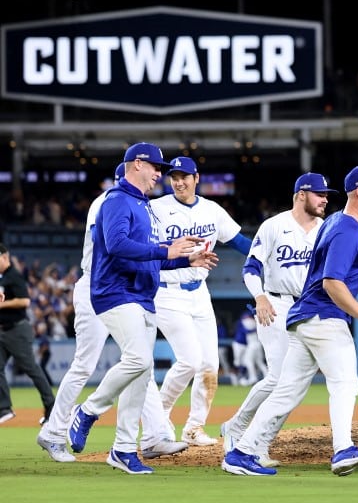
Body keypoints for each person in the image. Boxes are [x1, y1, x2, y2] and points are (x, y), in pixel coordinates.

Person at [221, 164, 358, 477]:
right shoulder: (346, 229)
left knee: (286, 391)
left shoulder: (334, 223)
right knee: (345, 382)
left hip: (302, 318)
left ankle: (241, 451)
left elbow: (347, 254)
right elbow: (332, 282)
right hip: (324, 315)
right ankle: (344, 448)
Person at [66, 143, 217, 474]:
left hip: (142, 294)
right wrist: (167, 251)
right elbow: (118, 246)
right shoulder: (117, 201)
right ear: (136, 165)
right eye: (156, 167)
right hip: (115, 292)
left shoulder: (142, 206)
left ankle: (122, 449)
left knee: (141, 373)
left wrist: (184, 259)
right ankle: (88, 410)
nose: (160, 175)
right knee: (138, 360)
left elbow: (149, 261)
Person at [220, 172, 339, 468]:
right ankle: (237, 429)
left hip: (307, 306)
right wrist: (259, 297)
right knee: (279, 378)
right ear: (301, 194)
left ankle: (257, 441)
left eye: (326, 195)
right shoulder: (274, 226)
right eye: (319, 194)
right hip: (275, 303)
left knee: (294, 382)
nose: (325, 199)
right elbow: (251, 267)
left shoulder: (325, 229)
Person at [141, 155, 253, 451]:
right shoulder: (157, 208)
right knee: (189, 360)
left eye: (184, 176)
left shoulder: (212, 210)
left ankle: (194, 427)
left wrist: (265, 257)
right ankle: (158, 419)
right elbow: (143, 246)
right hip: (166, 290)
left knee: (209, 365)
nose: (178, 181)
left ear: (196, 178)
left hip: (199, 292)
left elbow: (239, 241)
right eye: (174, 177)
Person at [37, 164, 135, 461]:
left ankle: (156, 433)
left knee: (138, 358)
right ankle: (53, 434)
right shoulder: (108, 201)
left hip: (116, 289)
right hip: (96, 285)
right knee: (84, 364)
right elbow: (107, 244)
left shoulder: (131, 204)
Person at [0, 241, 56, 427]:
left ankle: (51, 407)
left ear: (4, 256)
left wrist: (3, 304)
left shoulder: (13, 276)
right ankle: (4, 408)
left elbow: (24, 301)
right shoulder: (2, 278)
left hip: (17, 329)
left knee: (31, 368)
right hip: (4, 330)